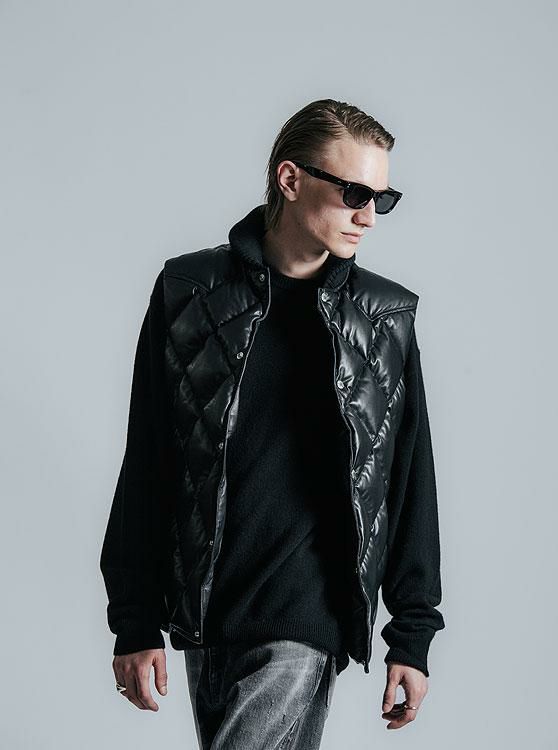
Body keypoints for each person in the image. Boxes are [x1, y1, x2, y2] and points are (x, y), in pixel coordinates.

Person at [100, 97, 445, 748]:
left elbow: (407, 478)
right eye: (353, 193)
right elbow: (148, 459)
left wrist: (413, 632)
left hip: (304, 612)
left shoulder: (383, 319)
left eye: (382, 199)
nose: (368, 216)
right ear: (290, 179)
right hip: (208, 613)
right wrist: (135, 618)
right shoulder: (189, 292)